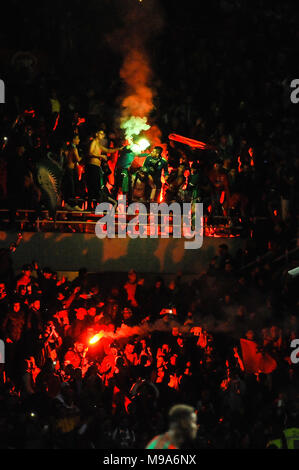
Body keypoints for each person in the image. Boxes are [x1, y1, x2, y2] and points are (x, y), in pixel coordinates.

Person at [85, 129, 123, 209]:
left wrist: (118, 149)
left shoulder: (98, 144)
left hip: (96, 167)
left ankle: (92, 205)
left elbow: (108, 150)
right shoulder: (94, 142)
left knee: (96, 186)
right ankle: (89, 205)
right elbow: (90, 153)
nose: (103, 136)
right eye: (101, 134)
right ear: (96, 134)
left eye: (103, 134)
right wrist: (101, 156)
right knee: (93, 186)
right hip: (92, 166)